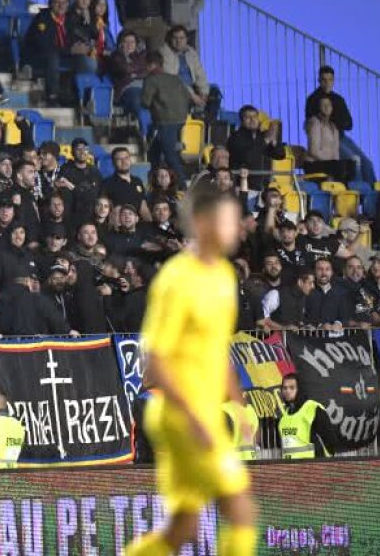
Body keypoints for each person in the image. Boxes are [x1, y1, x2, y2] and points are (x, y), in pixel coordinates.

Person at [127, 186, 256, 556]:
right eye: (228, 221)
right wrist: (194, 417)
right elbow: (156, 360)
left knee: (182, 528)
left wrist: (239, 402)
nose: (238, 228)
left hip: (204, 414)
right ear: (202, 223)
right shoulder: (176, 279)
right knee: (241, 510)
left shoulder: (225, 276)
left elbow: (217, 348)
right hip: (180, 415)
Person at [138, 49, 190, 180]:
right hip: (181, 119)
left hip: (164, 121)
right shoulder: (175, 78)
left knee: (169, 155)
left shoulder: (151, 79)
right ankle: (154, 180)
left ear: (149, 65)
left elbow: (145, 102)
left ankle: (183, 185)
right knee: (154, 151)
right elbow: (187, 96)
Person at [277, 373, 336, 460]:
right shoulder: (283, 418)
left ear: (299, 389)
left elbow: (331, 441)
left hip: (313, 468)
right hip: (291, 469)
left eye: (292, 387)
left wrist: (323, 463)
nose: (287, 391)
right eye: (285, 388)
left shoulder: (312, 408)